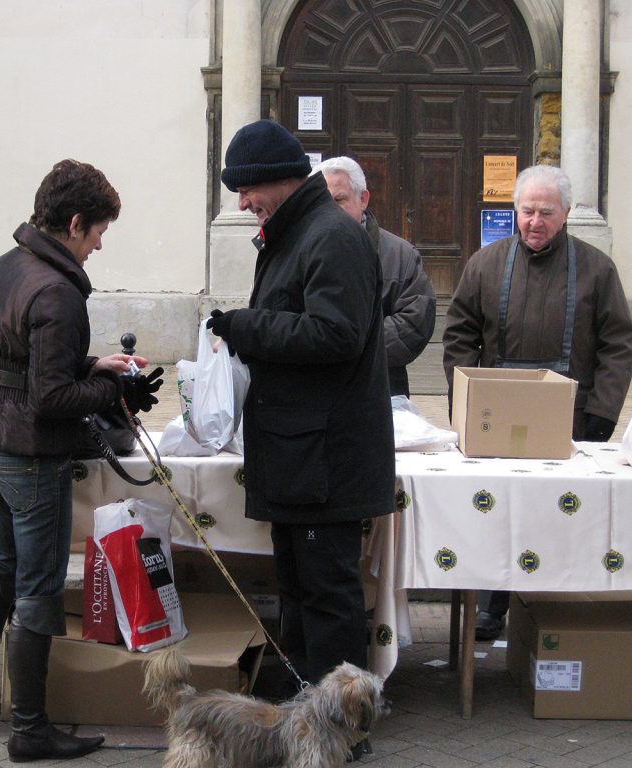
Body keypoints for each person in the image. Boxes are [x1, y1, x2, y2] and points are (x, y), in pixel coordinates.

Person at [0, 159, 163, 762]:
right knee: (37, 587)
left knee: (5, 569)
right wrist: (115, 392)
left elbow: (22, 361)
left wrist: (94, 366)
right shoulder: (58, 289)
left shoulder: (6, 266)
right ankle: (30, 730)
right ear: (73, 223)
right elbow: (50, 396)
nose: (96, 246)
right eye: (96, 233)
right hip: (29, 452)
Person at [206, 120, 396, 699]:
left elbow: (334, 335)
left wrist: (246, 327)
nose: (242, 204)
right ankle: (305, 715)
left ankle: (340, 727)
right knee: (299, 589)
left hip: (325, 461)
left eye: (247, 190)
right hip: (300, 456)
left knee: (327, 595)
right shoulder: (297, 232)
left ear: (278, 180)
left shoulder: (329, 237)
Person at [442, 164, 632, 641]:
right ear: (515, 210)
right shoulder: (484, 264)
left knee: (557, 514)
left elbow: (618, 342)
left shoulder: (597, 268)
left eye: (546, 212)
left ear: (566, 213)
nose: (534, 221)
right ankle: (490, 605)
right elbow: (460, 336)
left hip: (571, 419)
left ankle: (552, 608)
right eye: (527, 211)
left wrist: (602, 412)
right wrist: (467, 404)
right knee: (495, 511)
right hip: (497, 419)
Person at [314, 156, 437, 396]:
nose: (329, 211)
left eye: (339, 200)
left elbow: (415, 324)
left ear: (363, 199)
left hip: (381, 394)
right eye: (321, 202)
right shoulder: (298, 252)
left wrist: (349, 344)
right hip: (316, 396)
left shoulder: (401, 256)